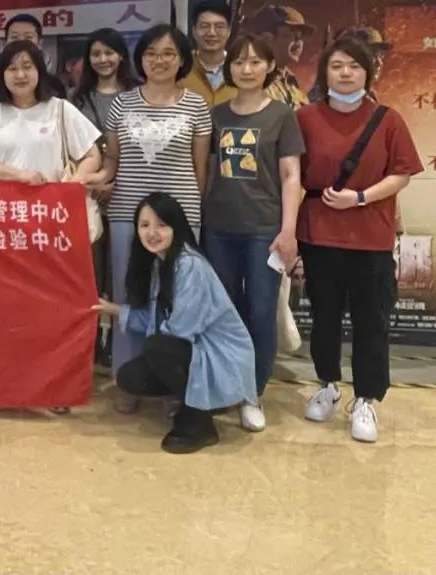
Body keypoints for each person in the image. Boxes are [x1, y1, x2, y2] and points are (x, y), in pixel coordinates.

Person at [297, 37, 421, 443]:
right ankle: (328, 385)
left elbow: (401, 173)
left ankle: (366, 398)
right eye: (337, 66)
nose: (345, 73)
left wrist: (361, 197)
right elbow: (292, 174)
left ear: (367, 73)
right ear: (324, 73)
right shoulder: (305, 118)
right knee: (324, 316)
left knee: (371, 321)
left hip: (370, 237)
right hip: (319, 235)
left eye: (354, 65)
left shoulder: (388, 119)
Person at [85, 24, 212, 413]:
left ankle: (173, 383)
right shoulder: (121, 104)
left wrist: (190, 214)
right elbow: (112, 163)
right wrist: (85, 180)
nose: (159, 61)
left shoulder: (196, 106)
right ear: (139, 60)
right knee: (130, 294)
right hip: (128, 214)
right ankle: (128, 378)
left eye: (168, 53)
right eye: (151, 53)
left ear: (182, 59)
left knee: (177, 299)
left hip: (179, 216)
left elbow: (200, 171)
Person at [93, 192, 257, 454]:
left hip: (222, 357)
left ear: (176, 227)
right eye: (144, 225)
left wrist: (156, 345)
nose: (151, 233)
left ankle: (200, 422)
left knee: (158, 348)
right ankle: (191, 404)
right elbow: (155, 320)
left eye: (161, 225)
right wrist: (113, 310)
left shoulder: (190, 265)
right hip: (195, 351)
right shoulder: (161, 264)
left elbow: (181, 328)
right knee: (130, 376)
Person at [202, 34, 304, 432]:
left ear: (269, 67)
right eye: (239, 62)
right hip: (219, 228)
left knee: (262, 312)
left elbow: (291, 175)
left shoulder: (282, 115)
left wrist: (288, 231)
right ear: (229, 68)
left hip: (265, 230)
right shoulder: (215, 114)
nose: (247, 69)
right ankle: (225, 386)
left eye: (256, 61)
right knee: (225, 312)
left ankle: (252, 392)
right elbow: (207, 171)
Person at [69, 27, 139, 370]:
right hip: (88, 198)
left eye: (109, 52)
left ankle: (122, 342)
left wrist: (114, 181)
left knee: (124, 274)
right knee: (91, 273)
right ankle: (93, 338)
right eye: (95, 54)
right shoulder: (76, 99)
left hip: (129, 196)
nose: (103, 60)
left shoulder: (138, 95)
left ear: (121, 56)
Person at [0, 40, 101, 185]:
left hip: (50, 198)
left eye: (27, 67)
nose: (20, 75)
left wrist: (73, 183)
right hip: (1, 198)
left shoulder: (60, 109)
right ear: (2, 75)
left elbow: (92, 156)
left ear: (39, 71)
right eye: (12, 69)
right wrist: (19, 175)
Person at [0, 14, 66, 112]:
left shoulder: (54, 84)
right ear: (6, 42)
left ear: (40, 43)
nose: (21, 42)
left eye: (28, 37)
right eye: (14, 37)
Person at [245, 4, 314, 110]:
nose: (298, 42)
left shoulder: (291, 83)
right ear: (266, 39)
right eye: (290, 35)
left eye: (300, 36)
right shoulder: (249, 80)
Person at [181, 0, 238, 107]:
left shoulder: (241, 68)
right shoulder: (180, 67)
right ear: (194, 31)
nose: (212, 33)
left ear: (229, 31)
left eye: (219, 26)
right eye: (204, 26)